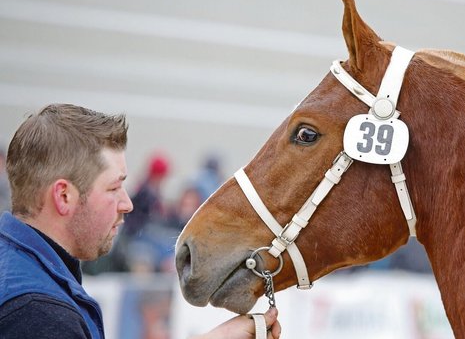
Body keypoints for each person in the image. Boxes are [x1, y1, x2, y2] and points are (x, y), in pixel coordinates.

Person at [0, 104, 281, 339]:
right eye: (113, 188)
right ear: (64, 196)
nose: (127, 204)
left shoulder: (23, 273)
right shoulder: (39, 314)